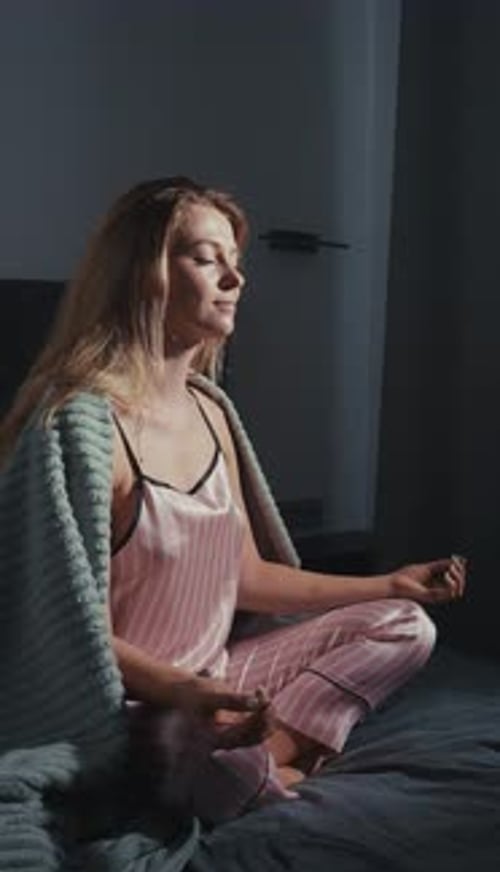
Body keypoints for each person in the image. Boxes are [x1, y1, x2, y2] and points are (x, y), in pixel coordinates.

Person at [0, 176, 466, 826]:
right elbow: (62, 635)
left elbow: (246, 578)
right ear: (143, 271)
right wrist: (185, 692)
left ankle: (274, 760)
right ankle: (269, 768)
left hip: (217, 675)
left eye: (236, 263)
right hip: (138, 704)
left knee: (404, 624)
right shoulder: (80, 428)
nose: (234, 280)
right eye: (206, 258)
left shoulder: (212, 410)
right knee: (197, 753)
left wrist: (387, 583)